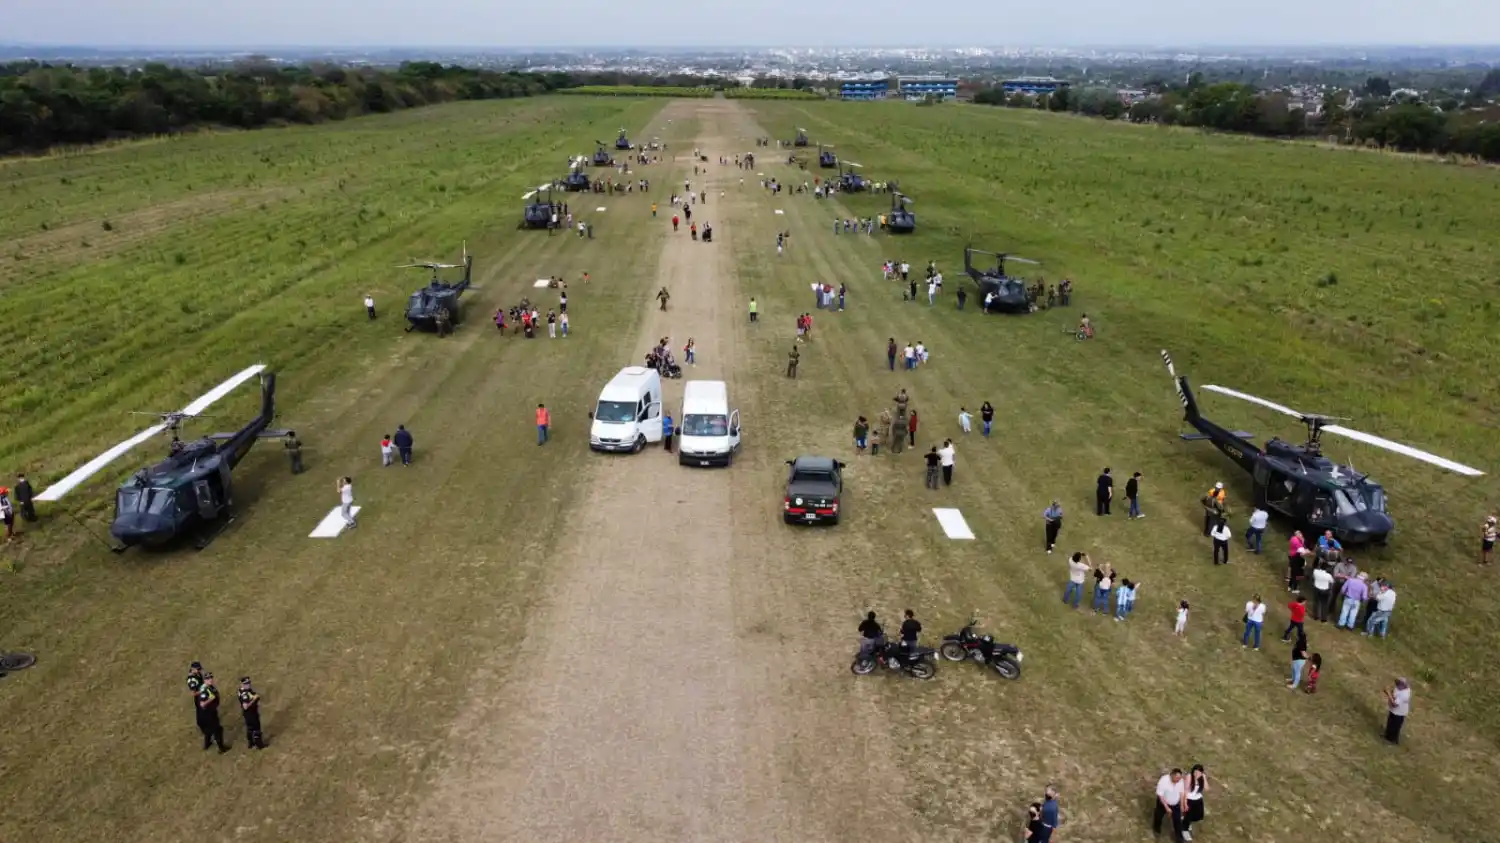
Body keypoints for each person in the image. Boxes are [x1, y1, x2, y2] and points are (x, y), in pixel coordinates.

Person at [197, 673, 229, 753]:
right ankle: (221, 748)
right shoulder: (204, 690)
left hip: (210, 712)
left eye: (211, 678)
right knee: (217, 730)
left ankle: (207, 744)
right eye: (208, 679)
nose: (210, 680)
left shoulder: (209, 687)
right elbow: (202, 704)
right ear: (205, 680)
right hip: (209, 714)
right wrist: (211, 699)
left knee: (209, 729)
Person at [1153, 768, 1186, 841]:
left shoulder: (1180, 781)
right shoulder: (1164, 780)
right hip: (1163, 802)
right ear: (1172, 775)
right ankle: (1156, 829)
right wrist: (1167, 808)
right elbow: (1160, 795)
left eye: (1179, 778)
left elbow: (1181, 792)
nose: (1178, 780)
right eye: (1177, 778)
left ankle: (1179, 839)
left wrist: (1181, 805)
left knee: (1177, 821)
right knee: (1158, 816)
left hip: (1175, 804)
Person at [238, 677, 265, 750]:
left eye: (249, 683)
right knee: (256, 728)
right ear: (242, 684)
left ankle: (251, 744)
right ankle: (259, 745)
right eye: (246, 684)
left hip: (247, 714)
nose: (248, 685)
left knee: (250, 728)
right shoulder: (245, 694)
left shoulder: (241, 690)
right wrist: (254, 699)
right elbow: (245, 706)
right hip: (251, 713)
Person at [1181, 765, 1207, 841]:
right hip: (1189, 799)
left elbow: (1207, 788)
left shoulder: (1202, 777)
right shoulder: (1189, 776)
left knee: (1199, 816)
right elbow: (1185, 790)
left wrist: (1204, 778)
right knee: (1188, 815)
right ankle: (1184, 830)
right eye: (1195, 772)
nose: (1196, 774)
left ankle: (1186, 820)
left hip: (1198, 798)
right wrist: (1185, 803)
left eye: (1199, 773)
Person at [1384, 678, 1411, 744]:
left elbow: (1394, 704)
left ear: (1404, 685)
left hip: (1399, 713)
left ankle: (1393, 741)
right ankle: (1387, 736)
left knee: (1395, 727)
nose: (1397, 685)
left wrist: (1388, 694)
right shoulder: (1398, 688)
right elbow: (1394, 692)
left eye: (1399, 684)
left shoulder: (1405, 695)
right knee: (1390, 723)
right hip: (1393, 711)